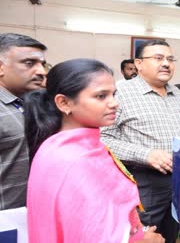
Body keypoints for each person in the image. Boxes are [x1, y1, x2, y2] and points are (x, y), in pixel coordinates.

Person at [24, 58, 164, 242]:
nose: (114, 103)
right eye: (101, 96)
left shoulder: (70, 145)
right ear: (64, 103)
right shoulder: (73, 159)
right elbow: (89, 235)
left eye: (114, 94)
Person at [101, 39, 180, 243]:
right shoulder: (120, 92)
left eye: (170, 59)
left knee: (170, 233)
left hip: (179, 180)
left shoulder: (176, 92)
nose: (166, 63)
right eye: (158, 58)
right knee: (144, 236)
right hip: (143, 182)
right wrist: (146, 155)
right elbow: (102, 139)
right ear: (139, 64)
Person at [0, 33, 46, 210]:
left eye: (42, 64)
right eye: (29, 63)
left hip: (31, 214)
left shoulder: (33, 104)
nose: (41, 71)